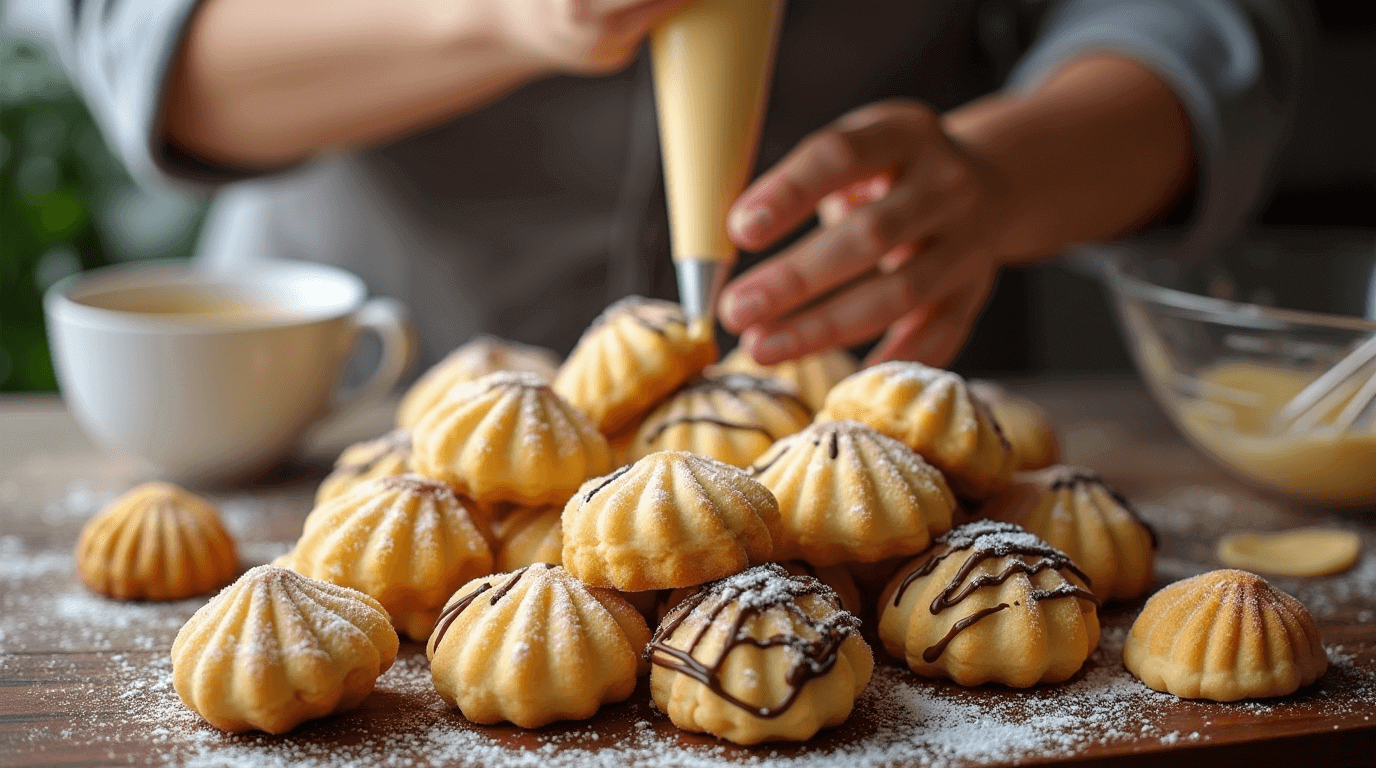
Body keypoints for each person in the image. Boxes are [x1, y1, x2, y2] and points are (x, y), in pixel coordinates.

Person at [30, 0, 1305, 369]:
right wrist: (491, 19)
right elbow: (138, 40)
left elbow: (1204, 27)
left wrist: (990, 174)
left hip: (866, 380)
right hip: (370, 390)